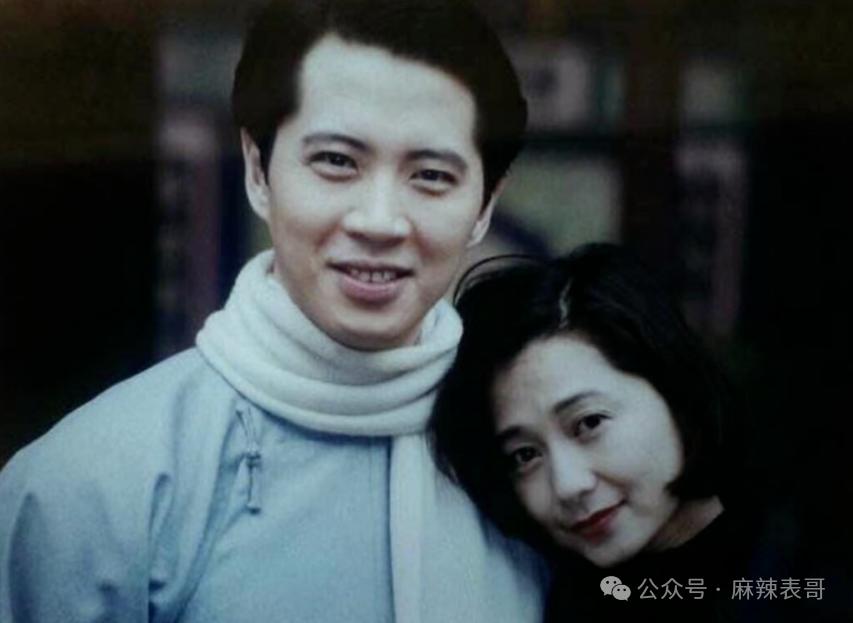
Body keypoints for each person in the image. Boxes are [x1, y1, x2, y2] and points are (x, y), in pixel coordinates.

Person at [0, 1, 545, 621]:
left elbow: (624, 588)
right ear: (258, 171)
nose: (379, 221)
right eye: (336, 162)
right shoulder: (96, 478)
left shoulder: (538, 455)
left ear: (484, 207)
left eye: (431, 175)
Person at [430, 243, 797, 621]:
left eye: (589, 423)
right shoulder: (544, 601)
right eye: (525, 455)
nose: (568, 485)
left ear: (674, 389)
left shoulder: (797, 571)